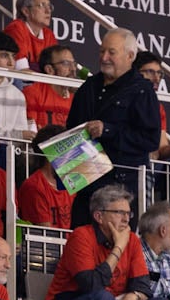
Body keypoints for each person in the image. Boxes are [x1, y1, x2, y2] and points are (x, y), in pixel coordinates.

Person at [64, 29, 160, 229]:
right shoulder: (89, 87)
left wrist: (108, 130)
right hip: (86, 185)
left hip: (121, 189)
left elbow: (150, 140)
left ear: (130, 56)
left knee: (115, 247)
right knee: (81, 241)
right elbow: (71, 130)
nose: (104, 58)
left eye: (111, 52)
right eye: (101, 51)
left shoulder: (142, 91)